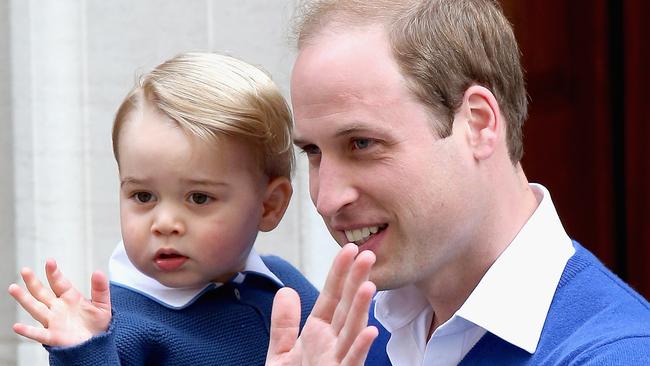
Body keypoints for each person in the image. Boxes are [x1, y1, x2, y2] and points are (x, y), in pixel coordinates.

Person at [266, 0, 650, 365]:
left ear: (479, 124)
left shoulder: (616, 354)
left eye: (362, 144)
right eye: (313, 152)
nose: (327, 198)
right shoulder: (352, 338)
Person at [7, 52, 321, 365]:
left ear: (269, 205)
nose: (165, 223)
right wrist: (84, 355)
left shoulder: (285, 286)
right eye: (144, 196)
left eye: (198, 198)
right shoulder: (115, 333)